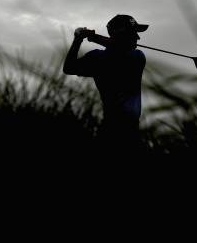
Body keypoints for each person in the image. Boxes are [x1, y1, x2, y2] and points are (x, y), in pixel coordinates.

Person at [63, 14, 148, 152]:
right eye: (134, 33)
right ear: (123, 35)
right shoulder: (137, 56)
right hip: (127, 133)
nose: (138, 38)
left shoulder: (133, 57)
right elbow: (69, 68)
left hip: (110, 129)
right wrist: (81, 39)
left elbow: (69, 68)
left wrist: (79, 38)